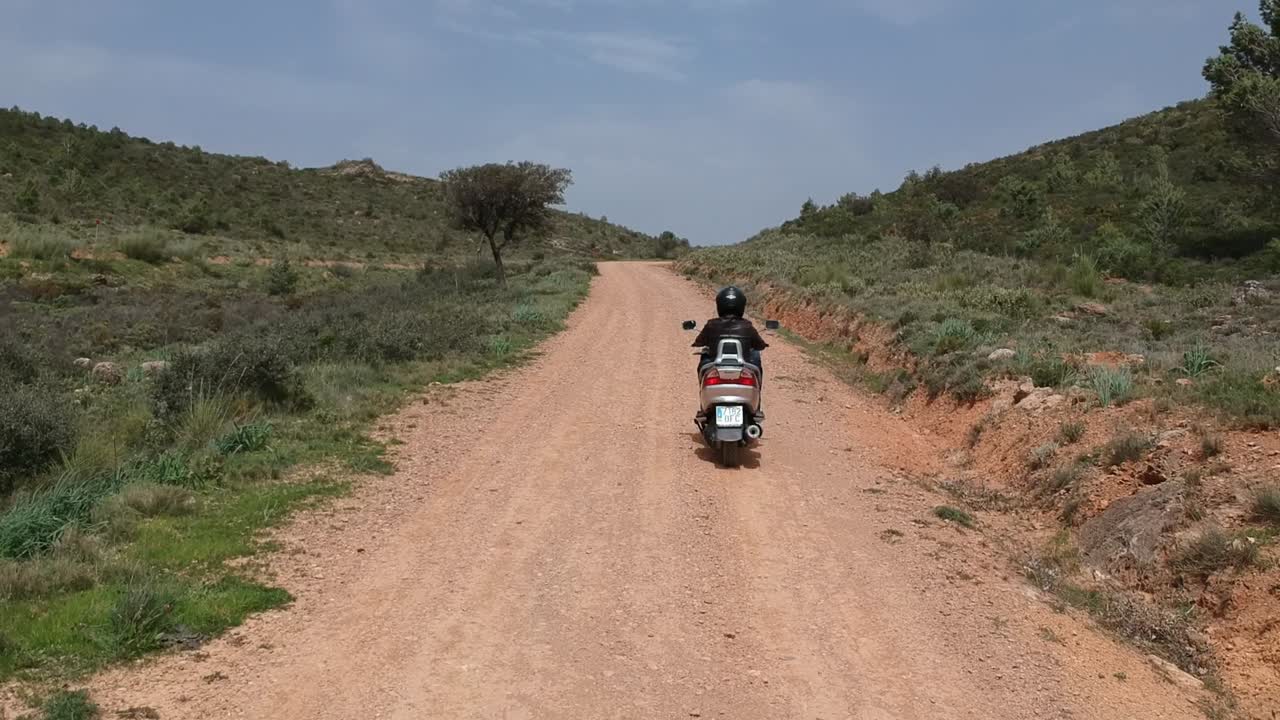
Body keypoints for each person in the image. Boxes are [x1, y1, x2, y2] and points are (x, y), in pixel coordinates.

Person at [691, 286, 769, 420]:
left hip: (715, 364)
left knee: (704, 357)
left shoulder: (711, 325)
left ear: (720, 305)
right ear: (741, 305)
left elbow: (699, 341)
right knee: (755, 355)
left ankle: (703, 400)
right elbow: (759, 345)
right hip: (743, 366)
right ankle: (758, 402)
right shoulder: (747, 326)